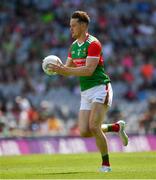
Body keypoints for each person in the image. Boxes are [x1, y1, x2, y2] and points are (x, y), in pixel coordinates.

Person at [47, 11, 128, 172]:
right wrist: (56, 68)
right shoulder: (73, 47)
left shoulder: (93, 44)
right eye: (70, 26)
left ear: (83, 26)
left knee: (94, 126)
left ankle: (106, 165)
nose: (71, 29)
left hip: (100, 88)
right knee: (84, 131)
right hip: (85, 92)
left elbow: (89, 70)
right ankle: (116, 128)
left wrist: (64, 70)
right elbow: (68, 68)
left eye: (74, 26)